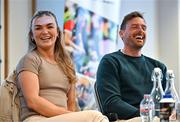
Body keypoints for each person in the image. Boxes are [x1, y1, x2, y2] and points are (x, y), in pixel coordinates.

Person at [15, 10, 109, 122]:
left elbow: (71, 103)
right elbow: (33, 101)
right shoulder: (29, 60)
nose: (45, 32)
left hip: (62, 118)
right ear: (32, 35)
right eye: (38, 28)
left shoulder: (67, 63)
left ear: (58, 32)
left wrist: (72, 116)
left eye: (49, 27)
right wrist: (70, 115)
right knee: (95, 117)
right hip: (36, 119)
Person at [96, 11, 167, 120]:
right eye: (134, 27)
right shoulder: (110, 62)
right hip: (129, 118)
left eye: (144, 28)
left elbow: (168, 102)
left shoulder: (159, 68)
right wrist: (145, 115)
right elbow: (111, 103)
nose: (141, 31)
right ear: (121, 33)